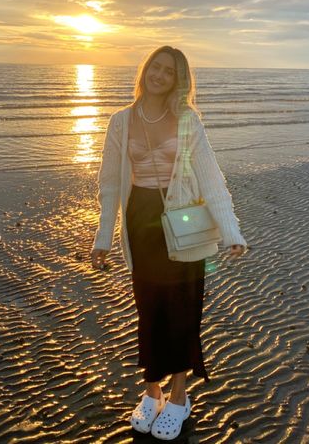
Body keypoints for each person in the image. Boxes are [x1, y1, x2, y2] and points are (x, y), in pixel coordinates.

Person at [91, 46, 246, 440]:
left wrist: (231, 232)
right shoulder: (120, 121)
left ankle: (179, 396)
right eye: (155, 67)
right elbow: (109, 184)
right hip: (140, 225)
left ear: (179, 80)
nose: (159, 75)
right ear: (145, 70)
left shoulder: (187, 121)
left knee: (182, 311)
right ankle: (151, 390)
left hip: (185, 223)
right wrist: (103, 238)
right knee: (150, 311)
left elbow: (211, 179)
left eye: (169, 72)